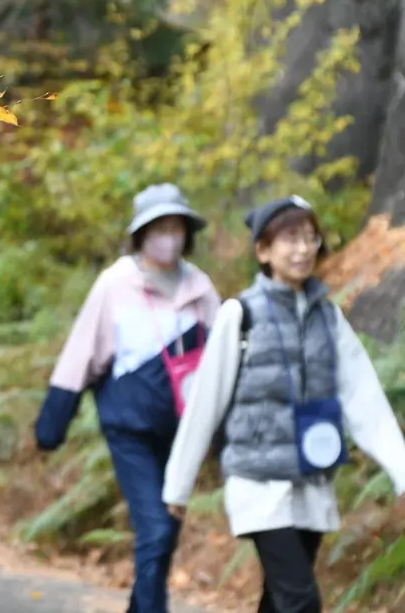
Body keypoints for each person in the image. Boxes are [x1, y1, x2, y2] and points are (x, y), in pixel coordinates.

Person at [162, 196, 405, 613]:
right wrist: (178, 484)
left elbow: (364, 399)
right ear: (263, 251)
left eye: (311, 239)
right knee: (301, 600)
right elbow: (206, 402)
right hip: (258, 483)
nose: (303, 249)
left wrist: (401, 471)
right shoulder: (240, 315)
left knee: (279, 601)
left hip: (311, 483)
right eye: (291, 239)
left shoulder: (328, 318)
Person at [34, 183, 221, 613]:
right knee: (155, 529)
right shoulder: (115, 284)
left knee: (166, 532)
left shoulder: (199, 285)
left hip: (182, 429)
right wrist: (52, 426)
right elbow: (82, 353)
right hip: (130, 428)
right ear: (140, 234)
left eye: (176, 227)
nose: (168, 236)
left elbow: (224, 352)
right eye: (159, 228)